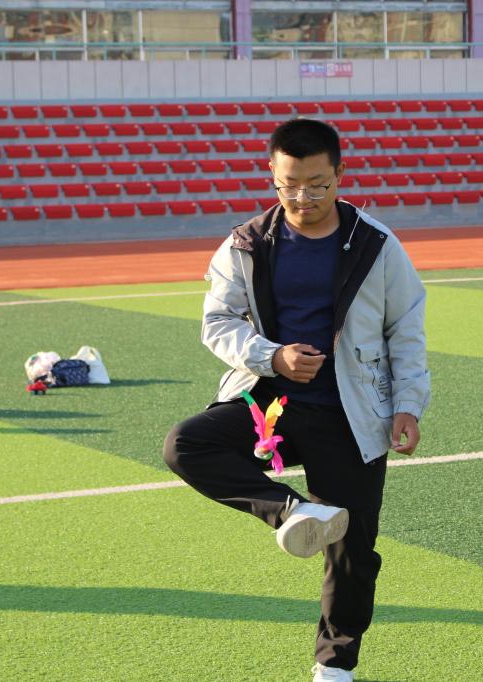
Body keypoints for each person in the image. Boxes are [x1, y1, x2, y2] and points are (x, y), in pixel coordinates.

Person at [163, 118, 431, 682]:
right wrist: (272, 357)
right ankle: (293, 510)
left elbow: (405, 328)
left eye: (317, 185)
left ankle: (335, 666)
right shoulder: (246, 243)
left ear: (339, 174)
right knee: (187, 445)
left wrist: (408, 404)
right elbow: (217, 323)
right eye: (288, 185)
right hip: (270, 405)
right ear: (272, 174)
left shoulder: (376, 244)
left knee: (354, 551)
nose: (302, 197)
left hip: (351, 413)